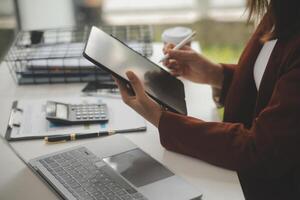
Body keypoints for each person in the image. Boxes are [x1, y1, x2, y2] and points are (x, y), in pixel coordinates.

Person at [114, 0, 300, 199]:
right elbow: (274, 84)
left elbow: (262, 151)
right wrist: (216, 75)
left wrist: (161, 119)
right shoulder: (284, 9)